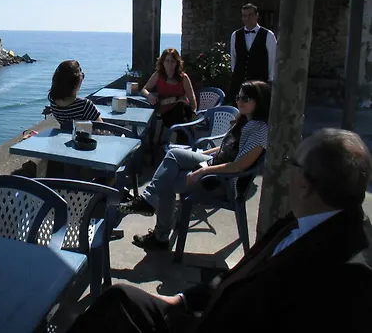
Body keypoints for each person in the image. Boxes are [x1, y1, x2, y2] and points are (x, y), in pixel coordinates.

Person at [68, 128, 372, 333]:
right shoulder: (304, 222)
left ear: (304, 184)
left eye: (292, 163)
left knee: (114, 312)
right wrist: (183, 300)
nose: (287, 172)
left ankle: (148, 205)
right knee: (119, 298)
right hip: (201, 311)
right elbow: (242, 273)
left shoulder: (349, 275)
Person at [121, 80, 270, 250]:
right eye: (238, 97)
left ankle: (159, 235)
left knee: (167, 181)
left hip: (222, 182)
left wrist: (203, 171)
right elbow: (225, 148)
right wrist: (200, 155)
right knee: (174, 154)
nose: (239, 102)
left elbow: (238, 166)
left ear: (260, 102)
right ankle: (149, 203)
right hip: (214, 164)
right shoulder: (245, 121)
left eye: (245, 99)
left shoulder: (259, 130)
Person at [141, 48, 197, 145]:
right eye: (167, 61)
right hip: (166, 113)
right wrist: (149, 95)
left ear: (177, 63)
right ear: (162, 62)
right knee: (181, 114)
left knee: (181, 106)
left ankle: (182, 142)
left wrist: (194, 112)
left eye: (172, 61)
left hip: (184, 111)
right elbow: (144, 89)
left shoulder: (183, 77)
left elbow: (192, 98)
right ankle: (186, 142)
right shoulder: (158, 75)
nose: (170, 64)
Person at [229, 3, 277, 102]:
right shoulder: (235, 35)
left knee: (259, 106)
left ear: (257, 15)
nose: (247, 18)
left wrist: (270, 80)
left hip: (259, 81)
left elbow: (273, 59)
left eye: (250, 15)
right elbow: (234, 57)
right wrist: (235, 75)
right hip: (239, 81)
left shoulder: (268, 35)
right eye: (245, 15)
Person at [48, 60, 101, 129]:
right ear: (76, 82)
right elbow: (102, 127)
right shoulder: (84, 105)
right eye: (82, 76)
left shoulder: (53, 101)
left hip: (66, 134)